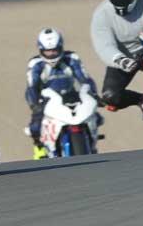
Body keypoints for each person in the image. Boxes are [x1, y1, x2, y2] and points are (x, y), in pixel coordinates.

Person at [25, 28, 101, 159]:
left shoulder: (72, 58)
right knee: (35, 127)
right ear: (41, 49)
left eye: (54, 50)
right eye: (48, 51)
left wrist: (93, 94)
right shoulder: (35, 63)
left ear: (61, 47)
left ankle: (91, 142)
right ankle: (39, 147)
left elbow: (85, 78)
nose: (51, 54)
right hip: (46, 99)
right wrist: (35, 104)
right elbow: (32, 86)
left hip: (71, 96)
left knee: (97, 117)